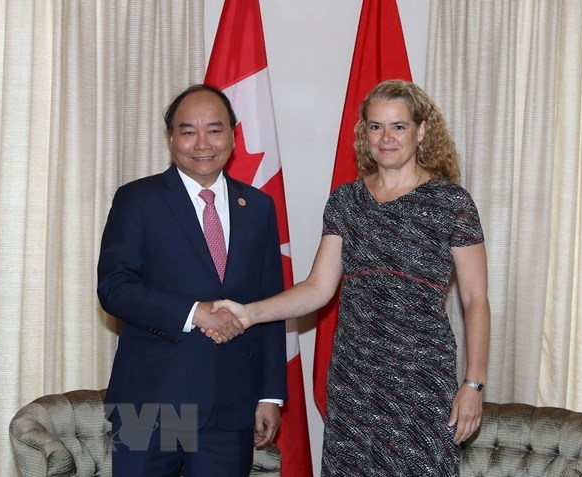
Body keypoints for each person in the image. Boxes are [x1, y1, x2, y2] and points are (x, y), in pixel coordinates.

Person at [208, 79, 490, 476]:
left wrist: (473, 384)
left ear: (421, 131)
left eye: (398, 126)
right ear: (364, 133)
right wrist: (248, 313)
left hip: (421, 380)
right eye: (375, 126)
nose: (386, 138)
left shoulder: (452, 202)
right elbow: (318, 289)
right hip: (354, 381)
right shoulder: (345, 201)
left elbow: (476, 299)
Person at [97, 84, 287, 477]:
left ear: (233, 135)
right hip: (149, 405)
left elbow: (270, 302)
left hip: (230, 405)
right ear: (171, 138)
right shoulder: (138, 200)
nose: (202, 143)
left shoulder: (258, 207)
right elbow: (114, 287)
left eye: (214, 130)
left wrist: (270, 394)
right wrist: (193, 313)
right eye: (188, 131)